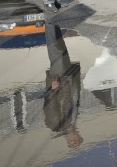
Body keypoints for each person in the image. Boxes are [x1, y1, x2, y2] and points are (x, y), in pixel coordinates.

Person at [43, 18, 83, 148]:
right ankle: (53, 21)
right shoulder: (73, 121)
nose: (75, 139)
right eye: (77, 140)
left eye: (72, 142)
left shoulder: (56, 126)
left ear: (67, 141)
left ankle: (48, 21)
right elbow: (75, 98)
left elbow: (48, 106)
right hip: (69, 78)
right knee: (61, 48)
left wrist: (52, 89)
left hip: (59, 81)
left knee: (55, 51)